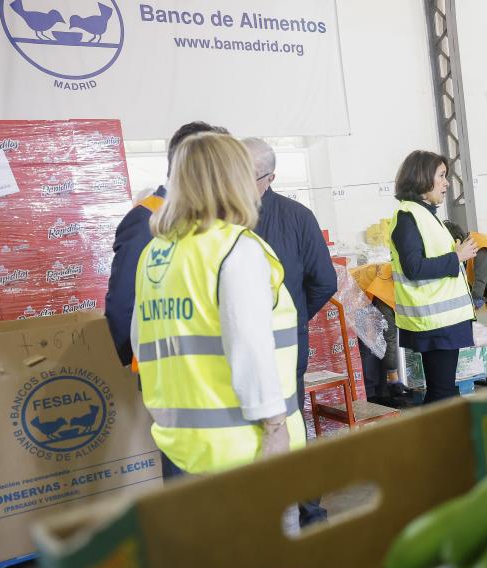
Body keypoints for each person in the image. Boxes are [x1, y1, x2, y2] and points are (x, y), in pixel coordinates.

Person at [131, 133, 305, 507]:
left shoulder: (155, 253)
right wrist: (275, 428)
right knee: (270, 557)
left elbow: (140, 344)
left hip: (185, 442)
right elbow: (251, 348)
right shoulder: (236, 249)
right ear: (236, 181)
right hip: (247, 443)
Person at [106, 121, 228, 365]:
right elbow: (123, 305)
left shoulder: (201, 218)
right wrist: (143, 364)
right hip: (168, 374)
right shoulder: (147, 219)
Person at [242, 138, 338, 405]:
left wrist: (293, 315)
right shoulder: (219, 218)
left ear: (271, 177)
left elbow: (324, 281)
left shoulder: (298, 218)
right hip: (237, 348)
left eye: (249, 177)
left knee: (287, 423)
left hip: (284, 346)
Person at [388, 150, 478, 404]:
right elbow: (413, 268)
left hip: (441, 320)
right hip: (434, 322)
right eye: (441, 176)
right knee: (443, 394)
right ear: (421, 178)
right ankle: (438, 441)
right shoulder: (408, 216)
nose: (447, 182)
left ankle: (438, 440)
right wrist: (456, 257)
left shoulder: (425, 214)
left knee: (443, 391)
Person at [443, 220, 487, 371]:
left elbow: (480, 280)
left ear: (456, 240)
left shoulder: (479, 246)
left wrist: (471, 307)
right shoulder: (474, 244)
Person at [349, 261, 409, 406]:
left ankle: (383, 391)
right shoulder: (389, 292)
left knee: (378, 344)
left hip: (367, 293)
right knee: (369, 344)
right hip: (354, 294)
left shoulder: (402, 279)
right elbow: (390, 338)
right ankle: (370, 395)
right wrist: (394, 377)